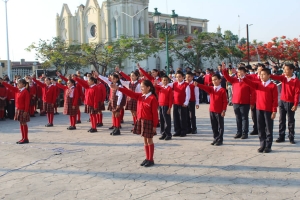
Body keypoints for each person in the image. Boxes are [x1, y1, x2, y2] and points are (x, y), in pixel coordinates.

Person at [110, 80, 158, 167]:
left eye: (143, 87)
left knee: (149, 140)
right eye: (141, 87)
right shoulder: (140, 96)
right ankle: (147, 158)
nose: (141, 88)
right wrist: (118, 88)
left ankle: (151, 159)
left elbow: (155, 114)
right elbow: (129, 93)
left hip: (149, 121)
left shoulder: (152, 98)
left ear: (148, 88)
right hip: (141, 120)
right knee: (144, 140)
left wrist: (155, 125)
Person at [243, 68, 278, 153]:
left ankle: (268, 145)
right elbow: (249, 82)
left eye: (264, 74)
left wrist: (274, 111)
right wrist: (243, 76)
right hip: (259, 109)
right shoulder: (258, 84)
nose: (261, 76)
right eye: (260, 74)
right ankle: (262, 144)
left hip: (268, 110)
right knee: (260, 128)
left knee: (268, 128)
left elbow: (275, 100)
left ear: (269, 75)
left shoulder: (272, 86)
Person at [222, 64, 256, 139]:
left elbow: (253, 93)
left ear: (245, 73)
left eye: (241, 72)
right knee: (238, 118)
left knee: (244, 118)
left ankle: (245, 133)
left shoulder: (248, 81)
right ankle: (239, 132)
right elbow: (227, 77)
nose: (239, 73)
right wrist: (224, 70)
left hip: (245, 102)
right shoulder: (234, 80)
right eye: (238, 72)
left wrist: (252, 102)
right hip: (235, 102)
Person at [194, 74, 227, 146]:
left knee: (220, 126)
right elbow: (205, 87)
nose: (214, 81)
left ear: (220, 80)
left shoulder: (222, 90)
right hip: (212, 110)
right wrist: (198, 85)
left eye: (215, 79)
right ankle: (215, 138)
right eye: (213, 80)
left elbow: (225, 101)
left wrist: (224, 110)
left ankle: (220, 139)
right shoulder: (211, 89)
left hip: (219, 111)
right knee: (214, 126)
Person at [270, 64, 299, 144]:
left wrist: (295, 104)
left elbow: (297, 93)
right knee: (281, 120)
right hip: (282, 101)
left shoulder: (296, 81)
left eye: (286, 69)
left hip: (290, 103)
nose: (284, 71)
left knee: (291, 120)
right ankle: (281, 136)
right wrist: (268, 74)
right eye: (284, 69)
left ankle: (291, 137)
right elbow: (276, 77)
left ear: (291, 70)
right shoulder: (283, 78)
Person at [1, 79, 30, 144]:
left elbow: (27, 102)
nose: (17, 85)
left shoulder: (25, 91)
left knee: (24, 123)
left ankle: (26, 138)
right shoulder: (17, 90)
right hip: (18, 109)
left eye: (19, 84)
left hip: (23, 110)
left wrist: (25, 111)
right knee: (20, 123)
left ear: (23, 84)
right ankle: (23, 137)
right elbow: (10, 87)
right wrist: (3, 82)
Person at [169, 70, 190, 137]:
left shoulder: (186, 85)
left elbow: (188, 95)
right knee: (176, 118)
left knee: (182, 118)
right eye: (177, 77)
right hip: (175, 103)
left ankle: (183, 131)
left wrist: (186, 102)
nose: (178, 78)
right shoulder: (174, 84)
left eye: (180, 77)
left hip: (182, 104)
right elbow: (165, 84)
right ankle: (177, 130)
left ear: (183, 77)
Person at [154, 75, 173, 140]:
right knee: (161, 120)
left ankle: (168, 134)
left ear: (168, 81)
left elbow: (170, 99)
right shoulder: (160, 88)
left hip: (166, 106)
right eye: (163, 80)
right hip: (160, 105)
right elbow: (154, 88)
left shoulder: (169, 88)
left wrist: (170, 108)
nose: (165, 81)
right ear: (161, 81)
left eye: (166, 80)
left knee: (167, 120)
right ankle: (163, 133)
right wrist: (154, 84)